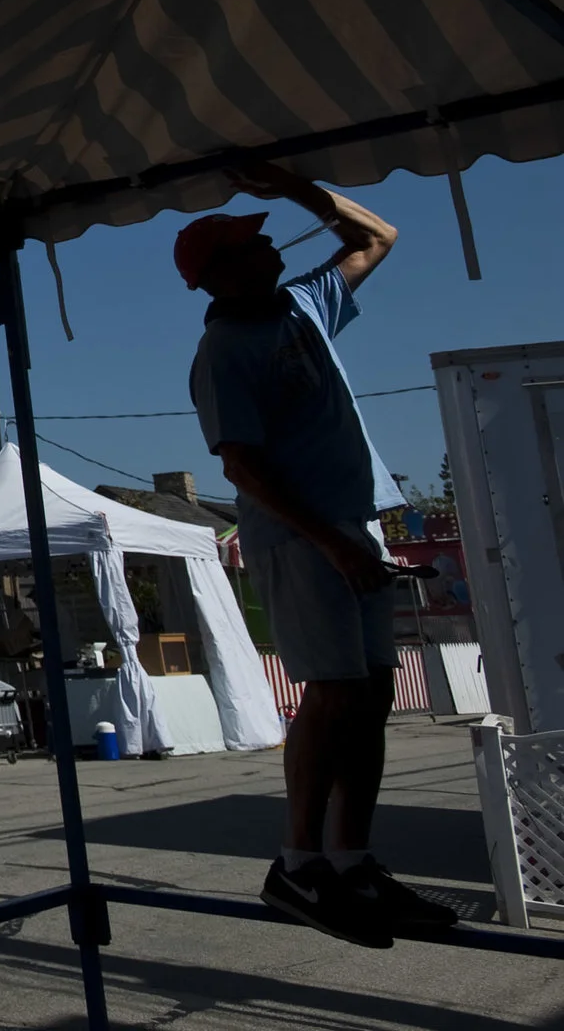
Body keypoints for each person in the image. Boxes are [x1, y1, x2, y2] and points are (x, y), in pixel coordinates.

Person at [178, 161, 454, 946]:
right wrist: (330, 542)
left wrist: (297, 190)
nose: (270, 253)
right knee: (333, 694)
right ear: (216, 277)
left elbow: (378, 237)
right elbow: (240, 465)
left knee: (369, 697)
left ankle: (352, 859)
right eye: (248, 247)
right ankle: (297, 864)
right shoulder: (227, 351)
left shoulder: (303, 304)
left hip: (349, 527)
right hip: (303, 541)